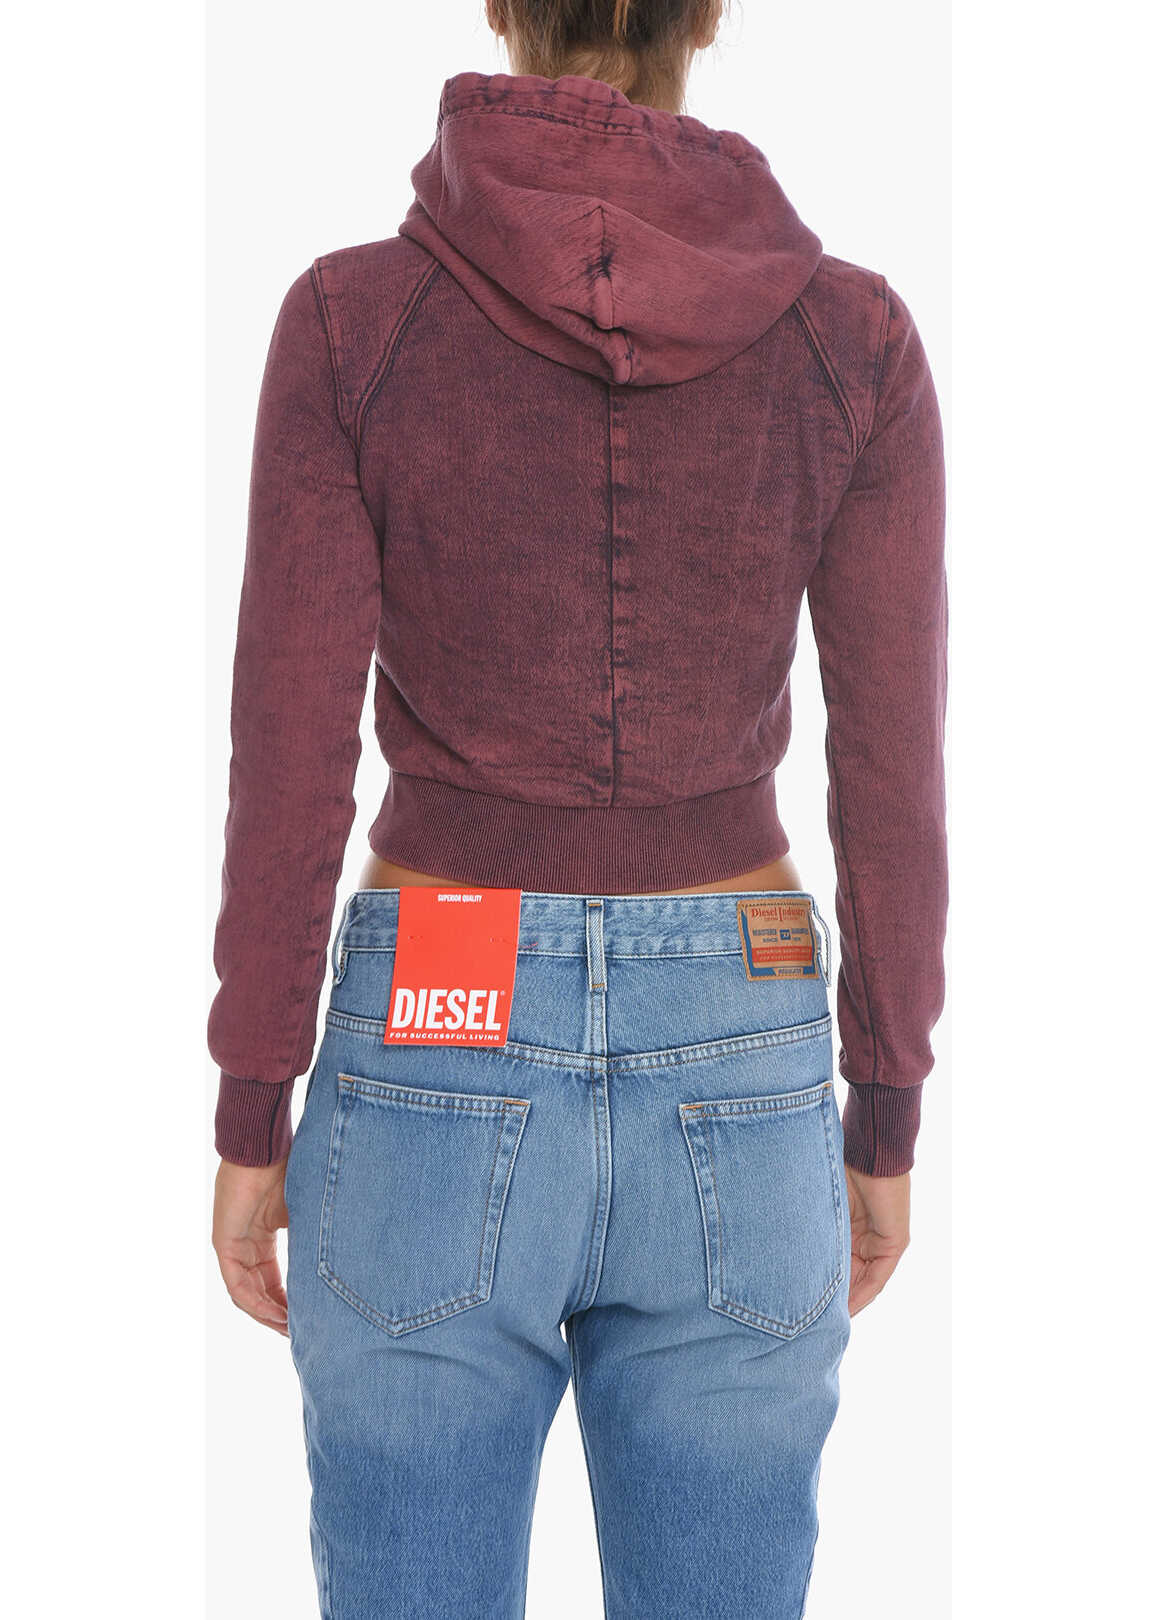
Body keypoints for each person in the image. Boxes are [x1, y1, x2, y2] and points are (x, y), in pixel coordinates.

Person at [208, 1, 947, 1614]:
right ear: (708, 16)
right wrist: (883, 1103)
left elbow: (289, 750)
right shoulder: (854, 336)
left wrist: (253, 1100)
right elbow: (891, 765)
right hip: (741, 1020)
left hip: (437, 1009)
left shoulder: (350, 319)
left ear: (498, 6)